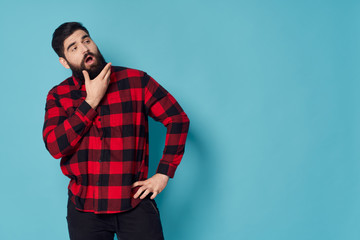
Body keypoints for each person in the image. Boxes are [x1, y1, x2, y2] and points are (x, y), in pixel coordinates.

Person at [42, 22, 190, 240]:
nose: (84, 49)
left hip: (134, 202)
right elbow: (55, 146)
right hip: (84, 209)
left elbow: (177, 118)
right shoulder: (58, 95)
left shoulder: (136, 81)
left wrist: (164, 172)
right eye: (73, 47)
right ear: (64, 62)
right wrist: (90, 103)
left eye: (86, 40)